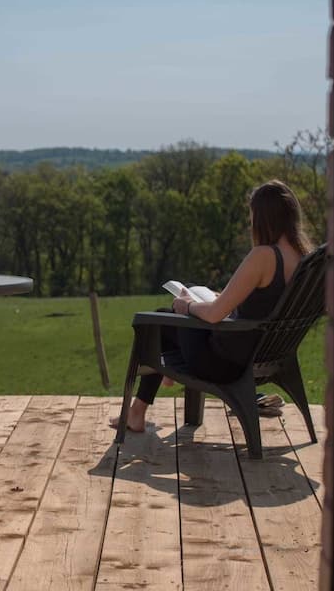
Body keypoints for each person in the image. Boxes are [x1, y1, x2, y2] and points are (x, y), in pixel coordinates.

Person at [111, 179, 313, 433]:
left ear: (263, 218)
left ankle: (138, 409)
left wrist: (187, 306)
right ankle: (148, 396)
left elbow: (216, 313)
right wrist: (216, 299)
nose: (251, 224)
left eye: (252, 218)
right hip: (265, 352)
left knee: (156, 321)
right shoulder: (303, 258)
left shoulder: (263, 256)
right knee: (173, 318)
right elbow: (258, 303)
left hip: (224, 362)